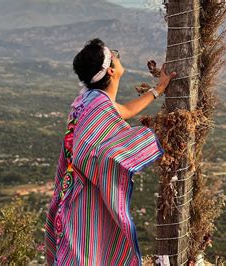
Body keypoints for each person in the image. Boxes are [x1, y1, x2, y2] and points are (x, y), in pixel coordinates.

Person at [44, 38, 176, 265]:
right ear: (111, 70)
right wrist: (148, 140)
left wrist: (158, 89)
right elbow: (89, 152)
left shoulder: (88, 100)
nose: (118, 55)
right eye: (114, 54)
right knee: (86, 254)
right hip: (83, 200)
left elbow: (123, 111)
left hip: (75, 192)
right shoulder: (98, 106)